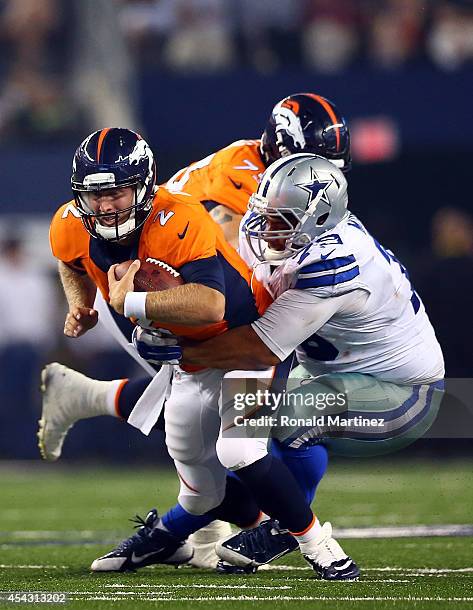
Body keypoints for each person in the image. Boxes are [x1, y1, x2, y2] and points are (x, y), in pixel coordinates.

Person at [135, 154, 444, 578]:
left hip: (401, 392)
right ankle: (174, 534)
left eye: (281, 220)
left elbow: (257, 347)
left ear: (319, 220)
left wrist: (178, 351)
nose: (266, 229)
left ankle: (289, 533)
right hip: (325, 375)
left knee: (282, 423)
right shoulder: (283, 234)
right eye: (264, 215)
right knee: (228, 441)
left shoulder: (335, 263)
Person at [45, 126, 276, 571]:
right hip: (160, 328)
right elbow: (68, 256)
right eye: (95, 196)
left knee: (243, 447)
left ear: (144, 186)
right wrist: (82, 304)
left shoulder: (179, 216)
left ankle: (299, 535)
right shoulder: (71, 221)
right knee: (193, 441)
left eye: (117, 193)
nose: (106, 206)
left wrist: (130, 300)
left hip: (240, 329)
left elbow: (211, 305)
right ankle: (214, 532)